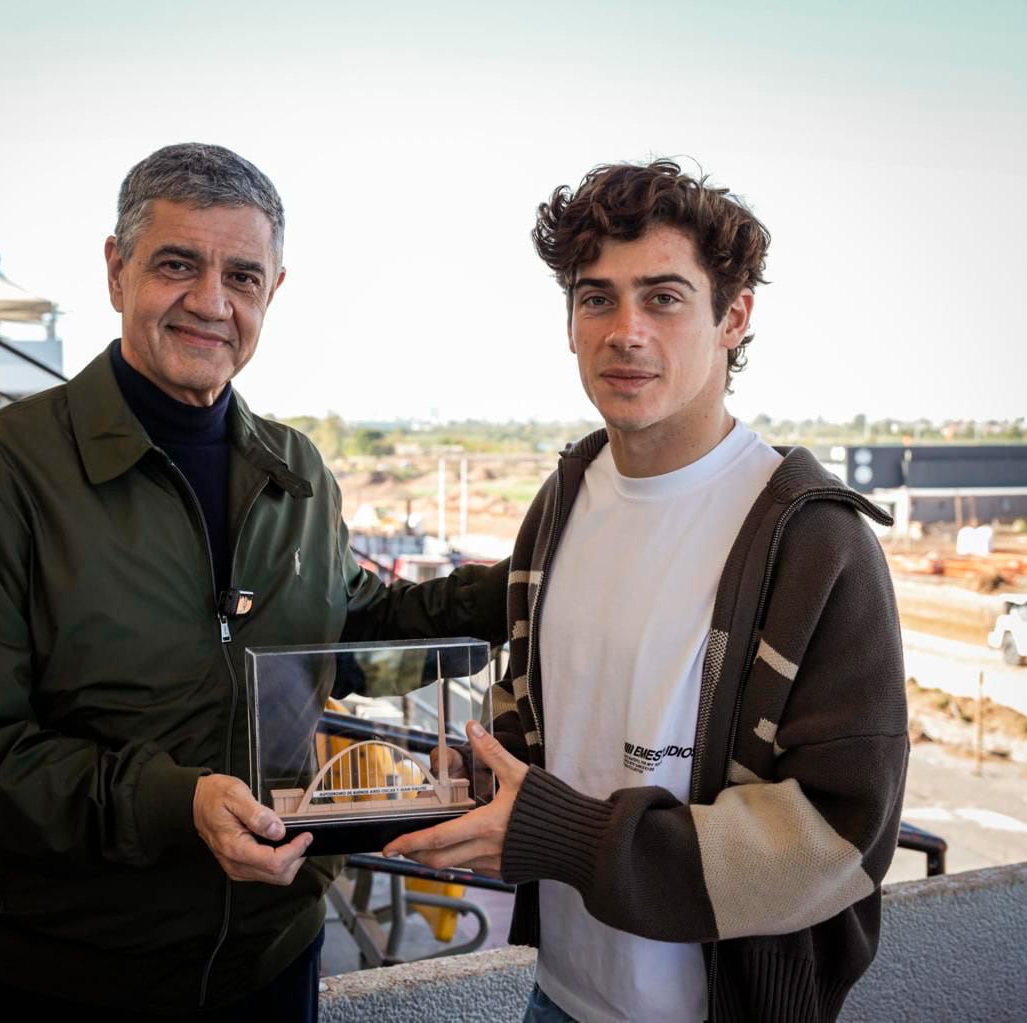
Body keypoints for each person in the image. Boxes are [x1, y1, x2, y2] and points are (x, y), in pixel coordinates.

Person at [0, 142, 508, 1021]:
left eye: (242, 277)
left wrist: (520, 587)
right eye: (178, 265)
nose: (213, 302)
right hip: (50, 974)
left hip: (270, 957)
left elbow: (350, 636)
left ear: (273, 292)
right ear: (117, 270)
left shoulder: (297, 471)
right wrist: (178, 804)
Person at [386, 159, 908, 1022]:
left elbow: (838, 838)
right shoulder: (562, 501)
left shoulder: (814, 542)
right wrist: (484, 780)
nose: (625, 332)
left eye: (664, 298)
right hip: (559, 993)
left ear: (733, 317)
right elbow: (548, 723)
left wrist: (564, 835)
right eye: (597, 298)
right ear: (569, 323)